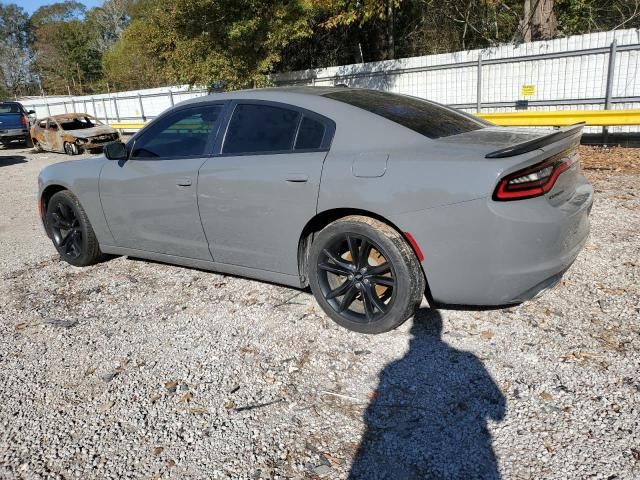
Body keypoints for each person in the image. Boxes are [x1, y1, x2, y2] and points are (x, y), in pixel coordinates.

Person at [349, 309, 506, 479]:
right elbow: (498, 411)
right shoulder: (469, 361)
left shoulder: (394, 369)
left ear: (414, 331)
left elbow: (372, 415)